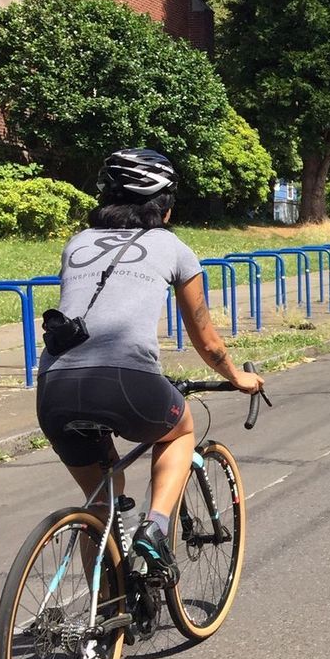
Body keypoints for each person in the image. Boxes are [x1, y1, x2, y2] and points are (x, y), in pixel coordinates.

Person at [35, 149, 264, 584]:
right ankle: (156, 527)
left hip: (55, 385)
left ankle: (106, 614)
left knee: (100, 503)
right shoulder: (172, 247)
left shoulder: (77, 243)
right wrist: (238, 377)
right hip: (126, 380)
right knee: (180, 429)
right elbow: (206, 340)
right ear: (165, 205)